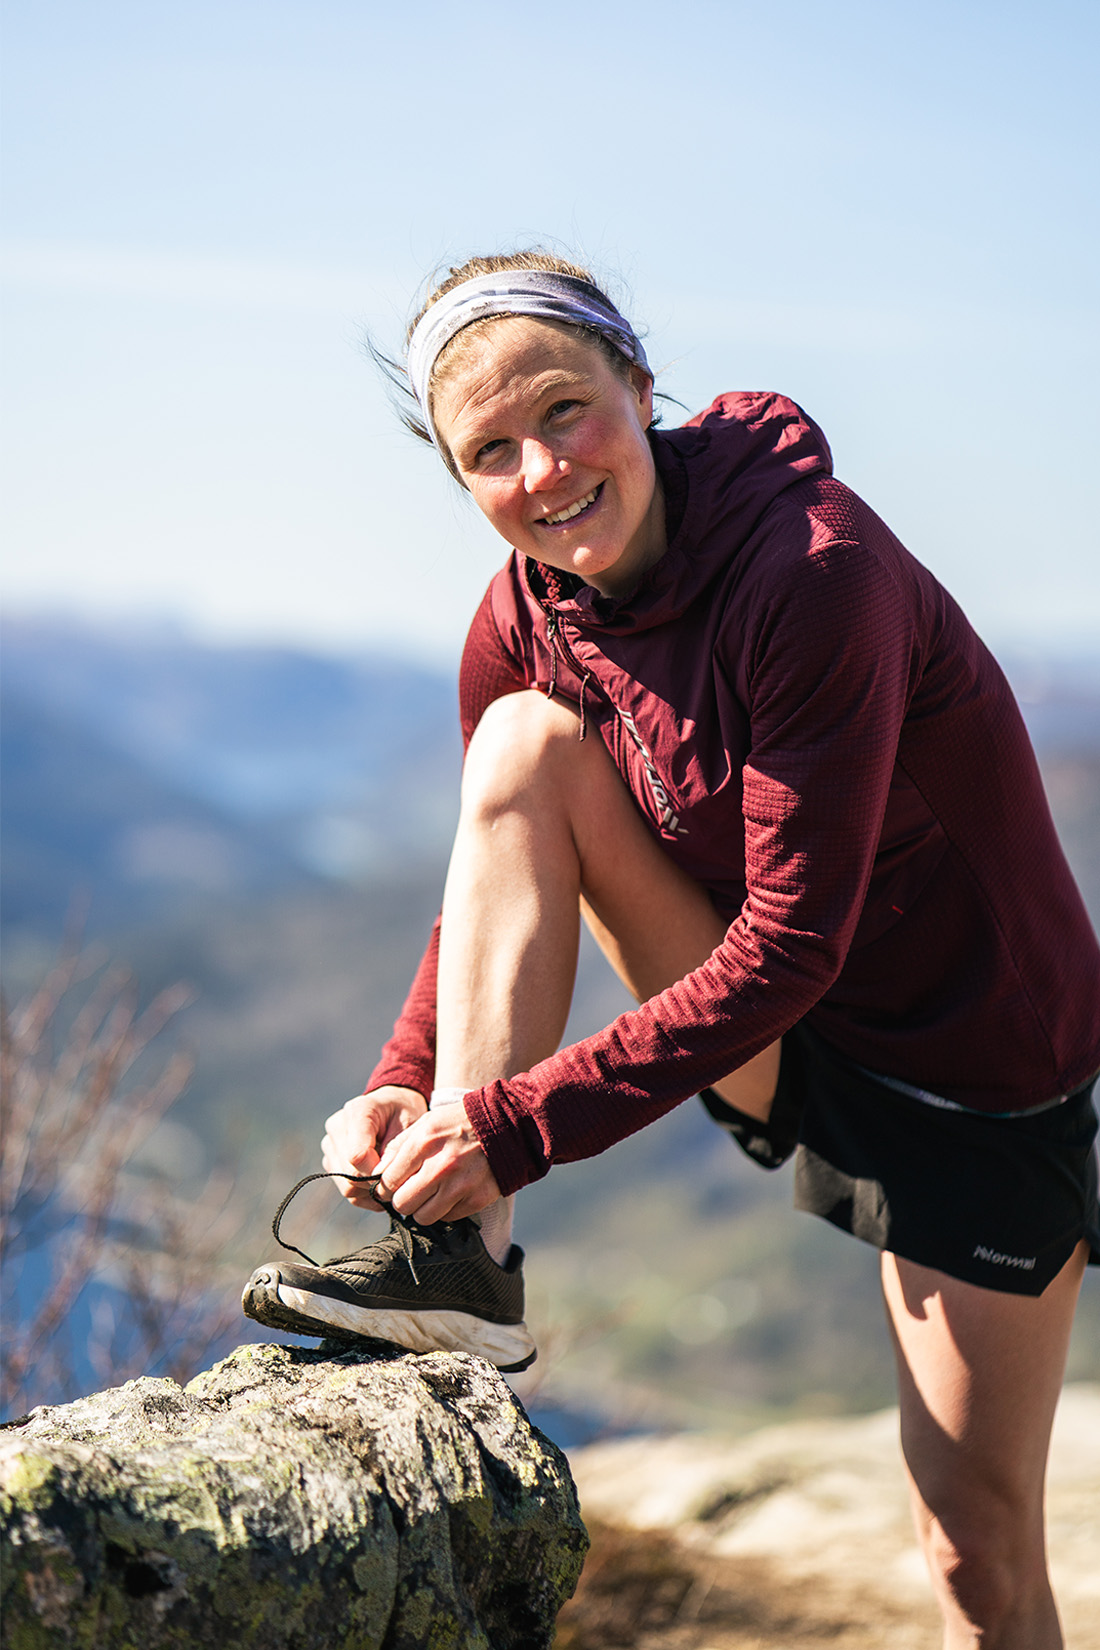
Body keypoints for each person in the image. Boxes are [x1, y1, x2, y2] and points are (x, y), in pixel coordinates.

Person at [243, 250, 1100, 1647]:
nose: (544, 469)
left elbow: (791, 941)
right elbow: (495, 874)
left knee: (976, 1552)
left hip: (973, 1066)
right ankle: (457, 1260)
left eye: (569, 410)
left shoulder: (808, 572)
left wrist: (520, 1121)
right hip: (782, 1028)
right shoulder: (523, 616)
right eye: (492, 451)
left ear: (642, 387)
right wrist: (417, 1085)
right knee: (523, 744)